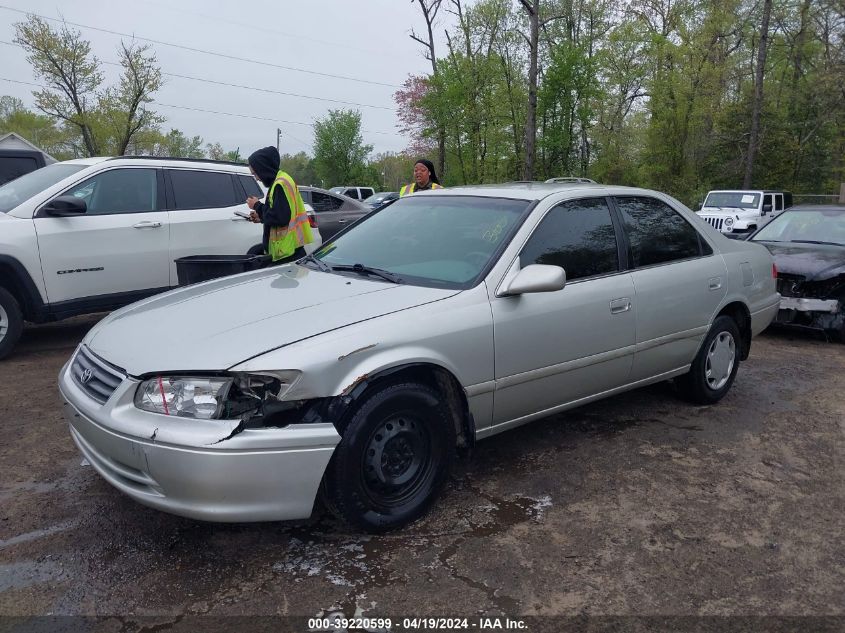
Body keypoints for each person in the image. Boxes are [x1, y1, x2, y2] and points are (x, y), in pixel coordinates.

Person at [246, 146, 314, 264]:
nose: (257, 178)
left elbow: (279, 217)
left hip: (286, 253)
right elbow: (281, 212)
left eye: (256, 173)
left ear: (263, 169)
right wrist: (261, 216)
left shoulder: (280, 184)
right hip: (290, 249)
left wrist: (256, 205)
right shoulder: (283, 179)